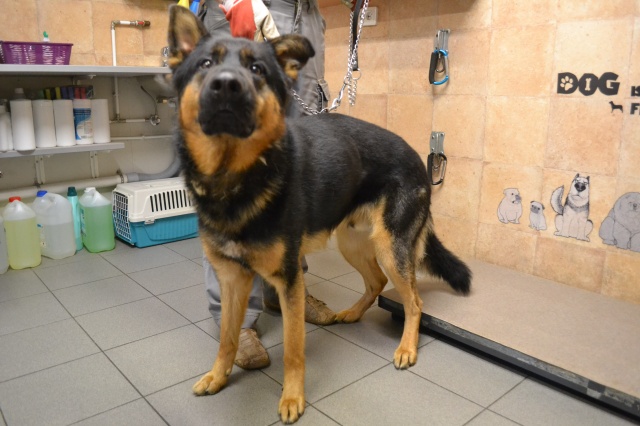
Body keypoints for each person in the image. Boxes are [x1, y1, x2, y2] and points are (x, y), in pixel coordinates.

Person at [198, 0, 336, 370]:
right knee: (232, 159)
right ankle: (238, 320)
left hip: (305, 14)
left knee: (297, 163)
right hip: (242, 8)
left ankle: (284, 282)